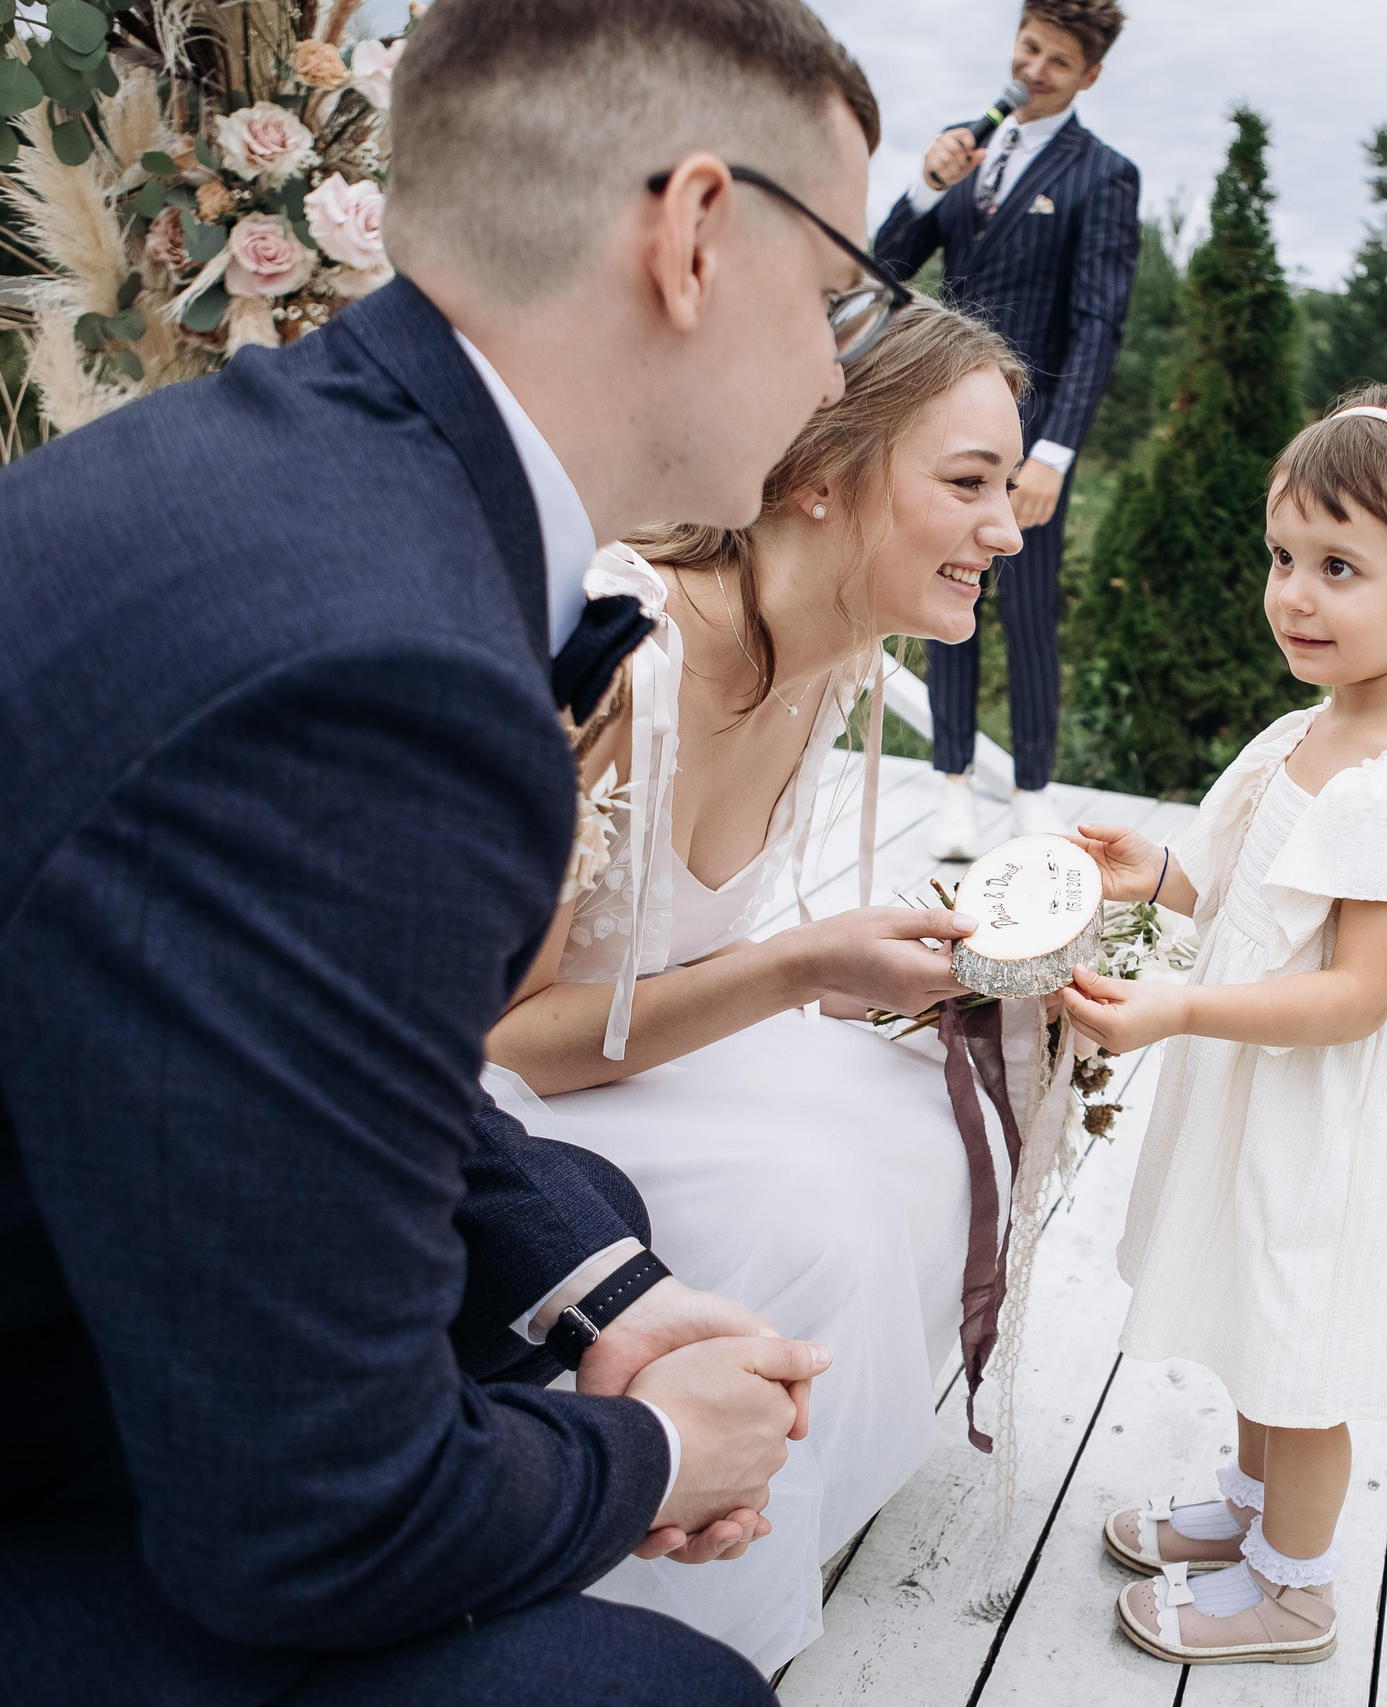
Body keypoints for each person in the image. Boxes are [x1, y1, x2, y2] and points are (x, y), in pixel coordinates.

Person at [0, 1, 891, 1700]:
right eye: (841, 289)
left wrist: (603, 1293)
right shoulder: (376, 670)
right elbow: (313, 1532)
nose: (843, 365)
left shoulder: (308, 470)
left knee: (584, 1211)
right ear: (694, 236)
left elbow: (314, 1044)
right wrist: (648, 1459)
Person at [481, 299, 1030, 1670]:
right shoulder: (627, 656)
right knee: (820, 1217)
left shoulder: (834, 643)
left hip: (632, 1048)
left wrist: (857, 974)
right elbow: (502, 1037)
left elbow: (678, 945)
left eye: (1010, 488)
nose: (1010, 528)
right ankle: (672, 1625)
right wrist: (792, 966)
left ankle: (796, 1516)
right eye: (969, 483)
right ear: (816, 476)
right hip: (494, 1098)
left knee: (934, 1099)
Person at [1052, 385, 1387, 1665]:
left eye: (1340, 567)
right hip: (1264, 1097)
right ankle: (1246, 1509)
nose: (1293, 594)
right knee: (1247, 1314)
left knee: (1300, 1348)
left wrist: (1173, 1009)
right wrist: (1157, 878)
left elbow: (1355, 995)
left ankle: (1296, 1589)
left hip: (1325, 1126)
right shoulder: (1317, 728)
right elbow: (1252, 903)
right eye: (1283, 559)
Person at [873, 0, 1140, 856]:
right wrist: (927, 186)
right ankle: (951, 784)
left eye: (1057, 62)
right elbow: (883, 270)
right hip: (943, 418)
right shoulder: (966, 144)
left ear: (1089, 75)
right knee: (946, 592)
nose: (1033, 69)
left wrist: (1055, 452)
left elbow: (1098, 324)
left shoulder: (1103, 175)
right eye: (1028, 48)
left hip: (1033, 439)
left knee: (1025, 610)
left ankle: (1032, 789)